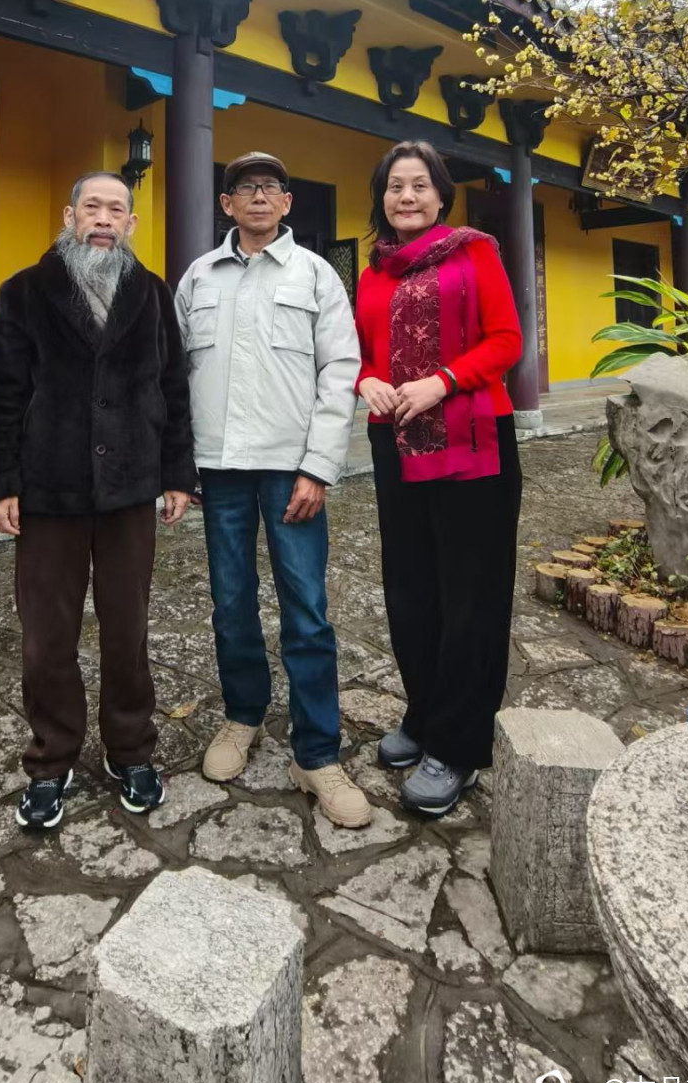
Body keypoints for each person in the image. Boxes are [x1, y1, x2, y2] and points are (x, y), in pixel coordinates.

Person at [0, 171, 197, 831]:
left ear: (130, 223)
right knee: (47, 636)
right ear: (70, 215)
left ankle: (131, 750)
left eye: (116, 209)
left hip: (130, 487)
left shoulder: (151, 294)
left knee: (128, 629)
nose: (103, 218)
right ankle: (51, 758)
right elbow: (1, 392)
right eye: (92, 206)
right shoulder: (24, 292)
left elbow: (173, 387)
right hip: (49, 488)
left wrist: (177, 474)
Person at [175, 151, 371, 829]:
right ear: (226, 203)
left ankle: (316, 753)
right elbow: (176, 374)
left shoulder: (316, 275)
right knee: (230, 603)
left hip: (292, 471)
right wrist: (181, 466)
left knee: (306, 610)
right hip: (219, 467)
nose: (258, 196)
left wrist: (318, 466)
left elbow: (340, 371)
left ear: (287, 203)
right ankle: (243, 715)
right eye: (245, 187)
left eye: (270, 187)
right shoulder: (199, 276)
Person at [355, 141, 523, 818]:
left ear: (441, 195)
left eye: (419, 185)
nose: (407, 196)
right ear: (381, 197)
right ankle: (424, 713)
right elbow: (360, 351)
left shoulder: (474, 253)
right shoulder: (372, 271)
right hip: (395, 441)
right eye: (395, 186)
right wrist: (365, 379)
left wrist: (442, 380)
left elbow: (506, 340)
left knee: (470, 594)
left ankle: (458, 744)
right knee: (410, 588)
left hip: (473, 439)